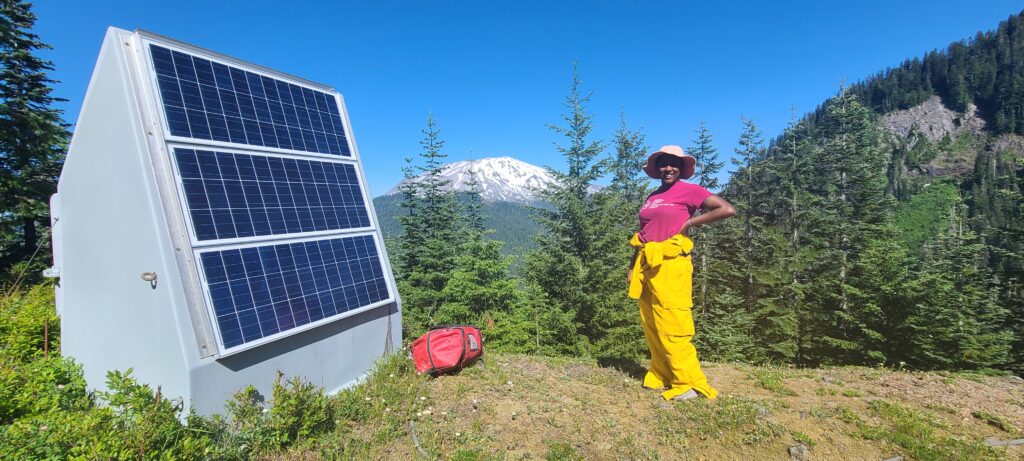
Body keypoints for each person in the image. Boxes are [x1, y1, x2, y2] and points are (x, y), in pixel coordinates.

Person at [628, 145, 736, 401]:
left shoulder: (691, 191)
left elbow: (726, 209)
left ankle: (687, 382)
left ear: (681, 168)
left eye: (673, 164)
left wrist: (690, 222)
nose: (668, 168)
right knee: (652, 323)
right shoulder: (653, 196)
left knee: (674, 323)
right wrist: (632, 267)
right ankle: (662, 374)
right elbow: (644, 233)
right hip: (647, 263)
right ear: (657, 168)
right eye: (664, 163)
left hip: (672, 263)